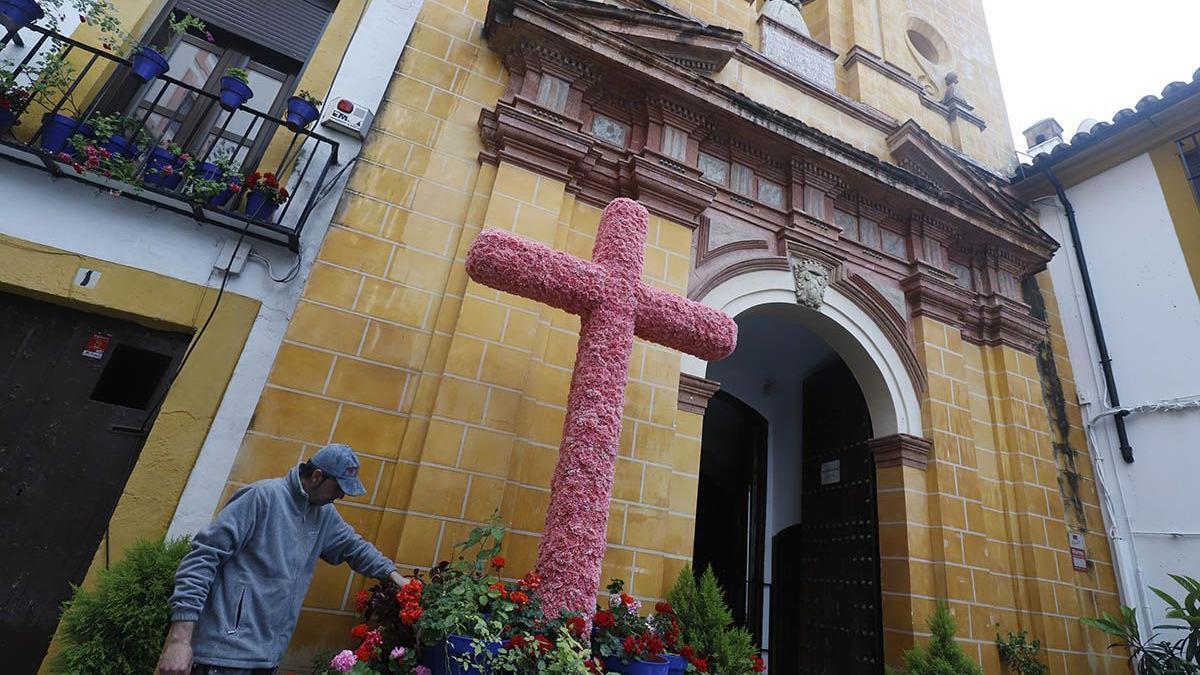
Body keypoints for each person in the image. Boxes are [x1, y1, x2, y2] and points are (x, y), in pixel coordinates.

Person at [157, 443, 406, 675]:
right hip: (221, 657)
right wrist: (179, 641)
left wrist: (395, 577)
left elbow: (355, 547)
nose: (340, 496)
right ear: (317, 476)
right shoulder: (261, 497)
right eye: (338, 488)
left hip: (268, 659)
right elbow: (201, 559)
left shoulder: (323, 515)